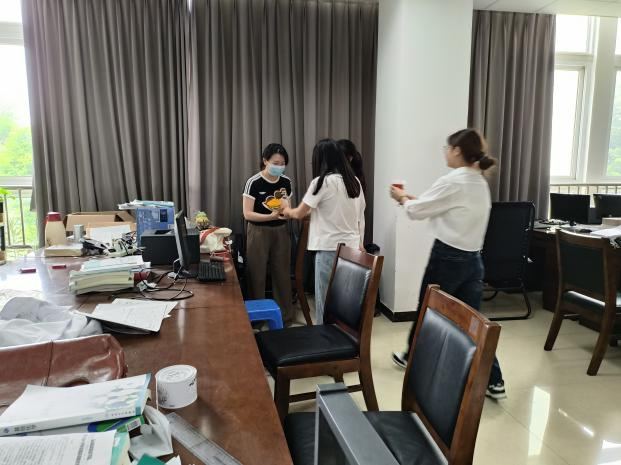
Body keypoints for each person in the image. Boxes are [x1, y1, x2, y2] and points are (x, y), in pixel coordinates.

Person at [389, 128, 506, 400]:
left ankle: (412, 358)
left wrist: (401, 198)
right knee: (474, 323)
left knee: (427, 311)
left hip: (447, 258)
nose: (445, 152)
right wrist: (413, 200)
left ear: (456, 151)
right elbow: (440, 206)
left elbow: (417, 212)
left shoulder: (453, 180)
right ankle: (494, 380)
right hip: (473, 260)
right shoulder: (478, 182)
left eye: (447, 148)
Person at [282, 139, 365, 324]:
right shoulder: (354, 182)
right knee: (345, 301)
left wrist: (286, 209)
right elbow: (357, 216)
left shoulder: (321, 182)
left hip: (329, 250)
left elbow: (299, 213)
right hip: (352, 250)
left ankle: (323, 337)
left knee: (325, 300)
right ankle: (343, 335)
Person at [242, 143, 293, 325]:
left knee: (282, 274)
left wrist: (287, 212)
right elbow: (247, 214)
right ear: (265, 161)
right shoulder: (254, 182)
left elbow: (288, 206)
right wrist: (269, 216)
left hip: (281, 231)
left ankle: (284, 317)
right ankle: (258, 318)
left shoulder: (286, 181)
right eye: (276, 163)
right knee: (256, 274)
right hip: (258, 232)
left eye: (283, 163)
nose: (279, 166)